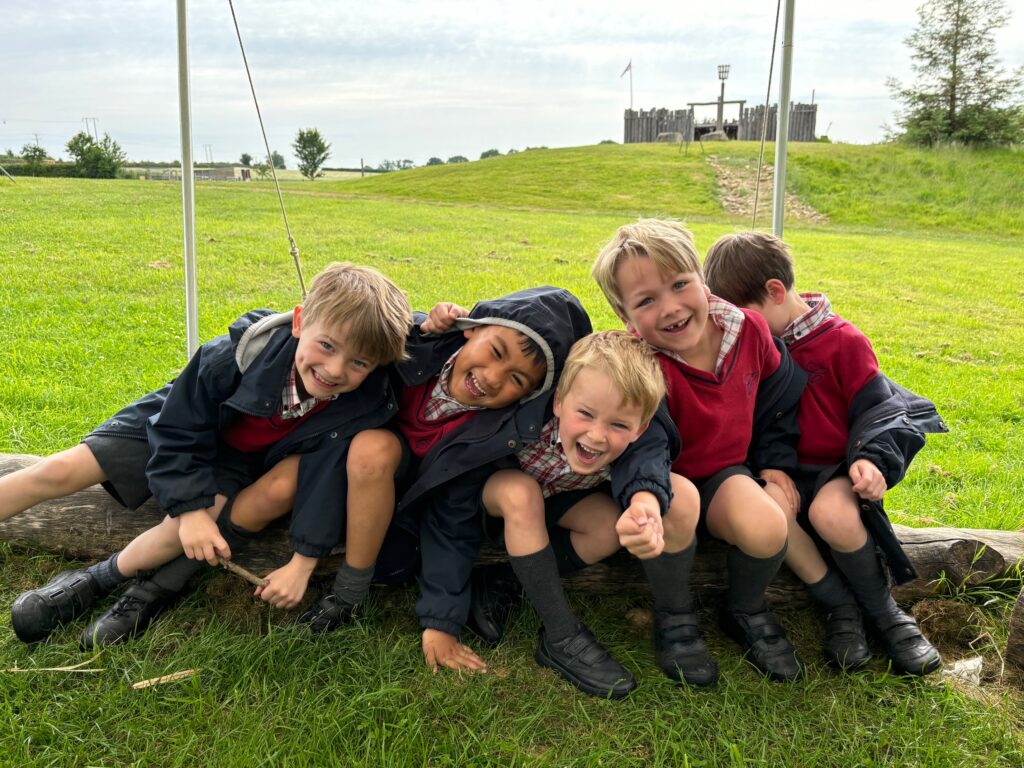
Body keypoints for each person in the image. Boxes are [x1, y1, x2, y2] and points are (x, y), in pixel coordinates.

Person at [7, 262, 411, 648]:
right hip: (171, 424)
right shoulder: (234, 355)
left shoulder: (355, 405)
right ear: (299, 320)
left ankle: (94, 581)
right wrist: (190, 507)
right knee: (59, 470)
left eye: (359, 362)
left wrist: (196, 516)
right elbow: (178, 427)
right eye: (327, 345)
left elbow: (419, 333)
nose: (335, 369)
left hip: (235, 459)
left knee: (178, 531)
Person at [703, 231, 945, 675]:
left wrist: (870, 459)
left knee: (831, 515)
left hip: (835, 469)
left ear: (775, 292)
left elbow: (881, 410)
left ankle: (883, 609)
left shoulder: (844, 341)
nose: (735, 327)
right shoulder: (750, 348)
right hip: (780, 473)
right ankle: (839, 605)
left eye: (742, 315)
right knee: (775, 514)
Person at [591, 219, 807, 682]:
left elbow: (778, 400)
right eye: (646, 301)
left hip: (726, 472)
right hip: (663, 477)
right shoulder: (639, 363)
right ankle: (673, 614)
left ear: (701, 278)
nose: (670, 307)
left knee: (769, 524)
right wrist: (644, 497)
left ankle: (745, 609)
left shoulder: (749, 329)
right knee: (680, 499)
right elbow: (639, 445)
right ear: (626, 318)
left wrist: (774, 465)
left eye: (679, 284)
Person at [475, 330, 710, 697]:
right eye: (585, 414)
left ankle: (507, 578)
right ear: (558, 401)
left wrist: (644, 508)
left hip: (562, 500)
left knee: (611, 526)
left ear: (640, 428)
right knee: (521, 493)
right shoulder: (526, 408)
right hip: (497, 498)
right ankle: (560, 635)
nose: (598, 436)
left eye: (618, 425)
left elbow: (647, 464)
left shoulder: (645, 434)